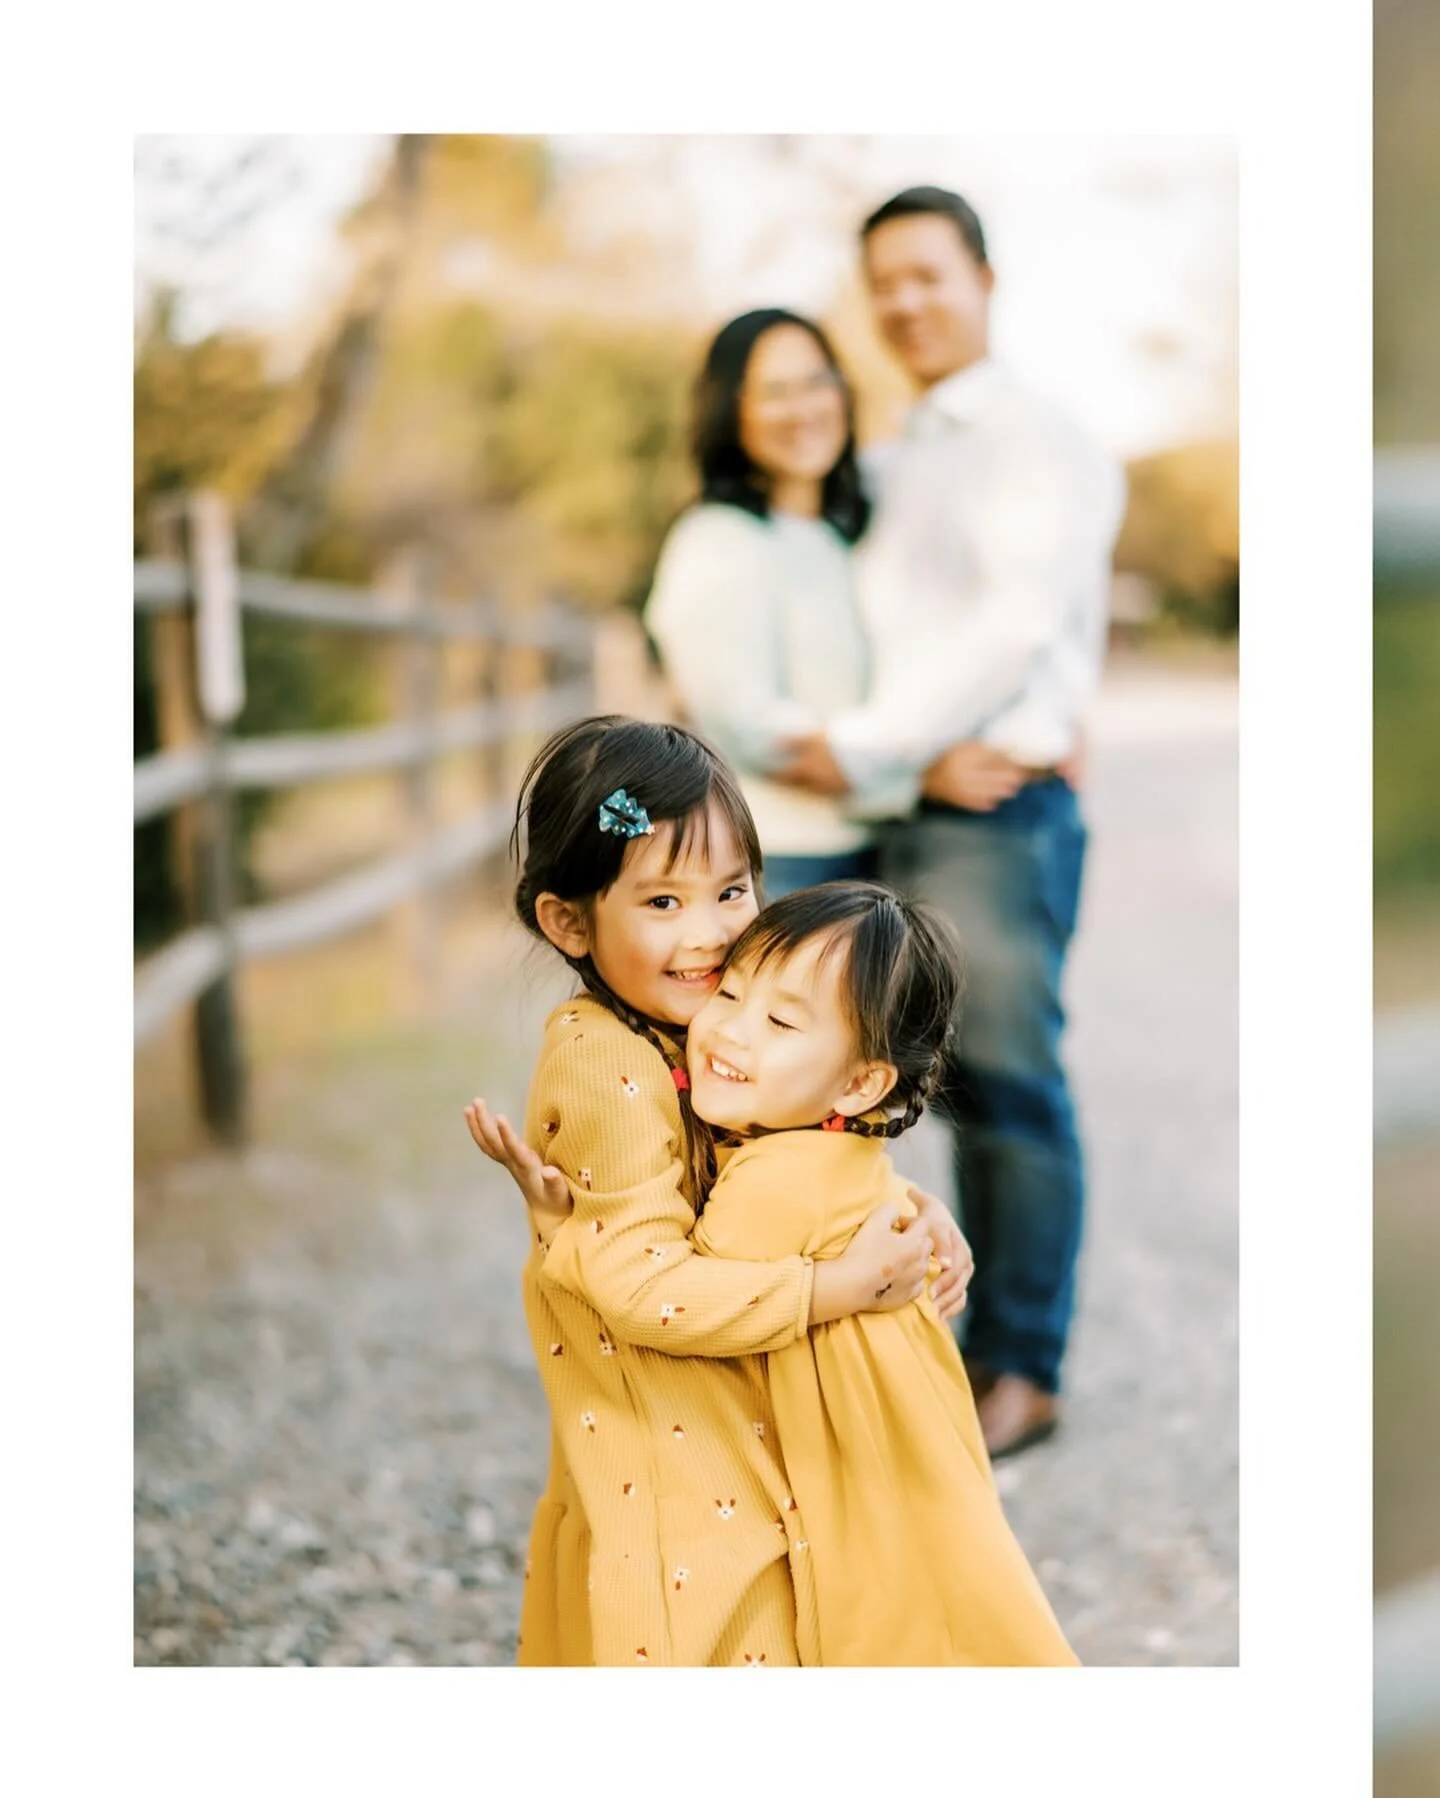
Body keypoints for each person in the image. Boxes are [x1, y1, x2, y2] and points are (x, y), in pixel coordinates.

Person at [463, 714, 971, 1666]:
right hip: (671, 1487)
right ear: (570, 921)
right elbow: (644, 1288)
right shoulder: (602, 1063)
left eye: (731, 889)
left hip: (725, 1463)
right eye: (661, 903)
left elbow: (784, 1152)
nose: (710, 935)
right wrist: (834, 1290)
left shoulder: (693, 1030)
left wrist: (902, 1214)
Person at [772, 186, 1128, 1460]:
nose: (905, 302)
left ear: (985, 276)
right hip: (915, 795)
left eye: (929, 274)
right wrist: (890, 766)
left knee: (1009, 1083)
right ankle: (930, 1344)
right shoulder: (895, 448)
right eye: (885, 283)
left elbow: (1011, 630)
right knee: (912, 1078)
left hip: (994, 808)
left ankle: (1023, 1367)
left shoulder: (1038, 440)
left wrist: (866, 747)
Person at [684, 880, 1077, 1665]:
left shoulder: (767, 1188)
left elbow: (689, 1312)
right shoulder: (850, 1152)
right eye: (730, 992)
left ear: (862, 1083)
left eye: (781, 1020)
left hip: (843, 1470)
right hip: (911, 1467)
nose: (731, 1030)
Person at [643, 309, 893, 898]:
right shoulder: (716, 540)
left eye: (817, 382)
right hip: (775, 864)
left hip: (867, 854)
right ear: (733, 410)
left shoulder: (841, 537)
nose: (803, 409)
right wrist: (919, 780)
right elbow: (752, 726)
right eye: (775, 393)